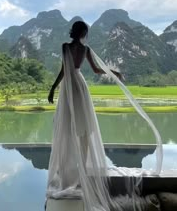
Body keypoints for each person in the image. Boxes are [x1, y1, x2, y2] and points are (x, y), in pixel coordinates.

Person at [46, 21, 163, 211]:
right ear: (83, 32)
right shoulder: (85, 49)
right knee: (81, 130)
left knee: (69, 129)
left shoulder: (66, 47)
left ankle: (69, 174)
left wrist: (52, 88)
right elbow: (96, 70)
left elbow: (63, 71)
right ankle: (79, 172)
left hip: (69, 88)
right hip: (79, 87)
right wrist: (113, 71)